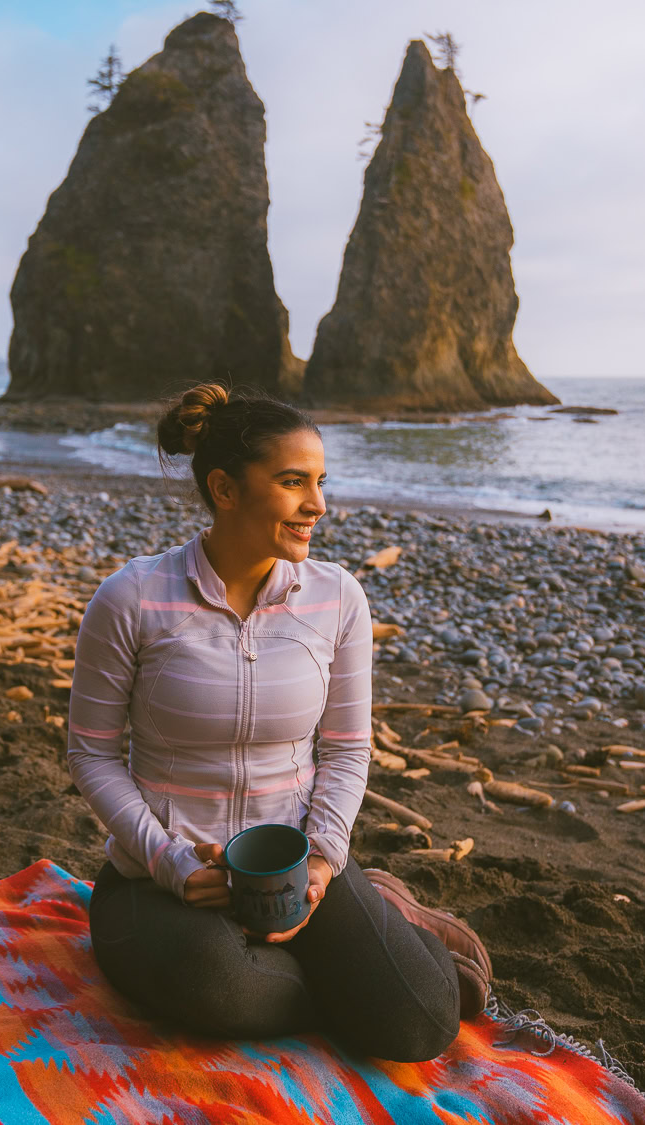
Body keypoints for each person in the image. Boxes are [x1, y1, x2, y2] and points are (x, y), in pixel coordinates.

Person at [68, 382, 492, 1061]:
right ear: (225, 489)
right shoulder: (132, 598)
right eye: (294, 482)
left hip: (294, 872)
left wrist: (324, 855)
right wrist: (170, 860)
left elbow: (349, 749)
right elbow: (90, 755)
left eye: (320, 482)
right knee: (223, 987)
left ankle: (384, 911)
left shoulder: (337, 598)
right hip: (162, 881)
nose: (317, 505)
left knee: (421, 1020)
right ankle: (351, 966)